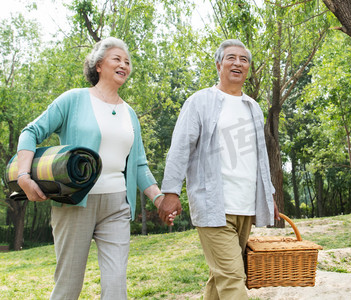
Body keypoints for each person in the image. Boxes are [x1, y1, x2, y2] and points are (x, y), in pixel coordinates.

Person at [15, 37, 173, 300]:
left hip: (116, 205)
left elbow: (139, 164)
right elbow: (31, 132)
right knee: (68, 285)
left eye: (127, 61)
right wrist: (24, 175)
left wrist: (158, 199)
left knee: (116, 287)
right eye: (117, 59)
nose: (124, 64)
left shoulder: (129, 113)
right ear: (98, 65)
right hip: (76, 203)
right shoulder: (73, 100)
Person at [158, 39, 280, 300]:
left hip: (246, 205)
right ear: (218, 65)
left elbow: (260, 157)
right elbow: (180, 148)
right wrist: (170, 192)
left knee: (221, 277)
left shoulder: (253, 108)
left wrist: (268, 193)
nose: (238, 63)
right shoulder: (200, 101)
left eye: (244, 59)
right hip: (213, 205)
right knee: (234, 277)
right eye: (231, 58)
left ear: (248, 69)